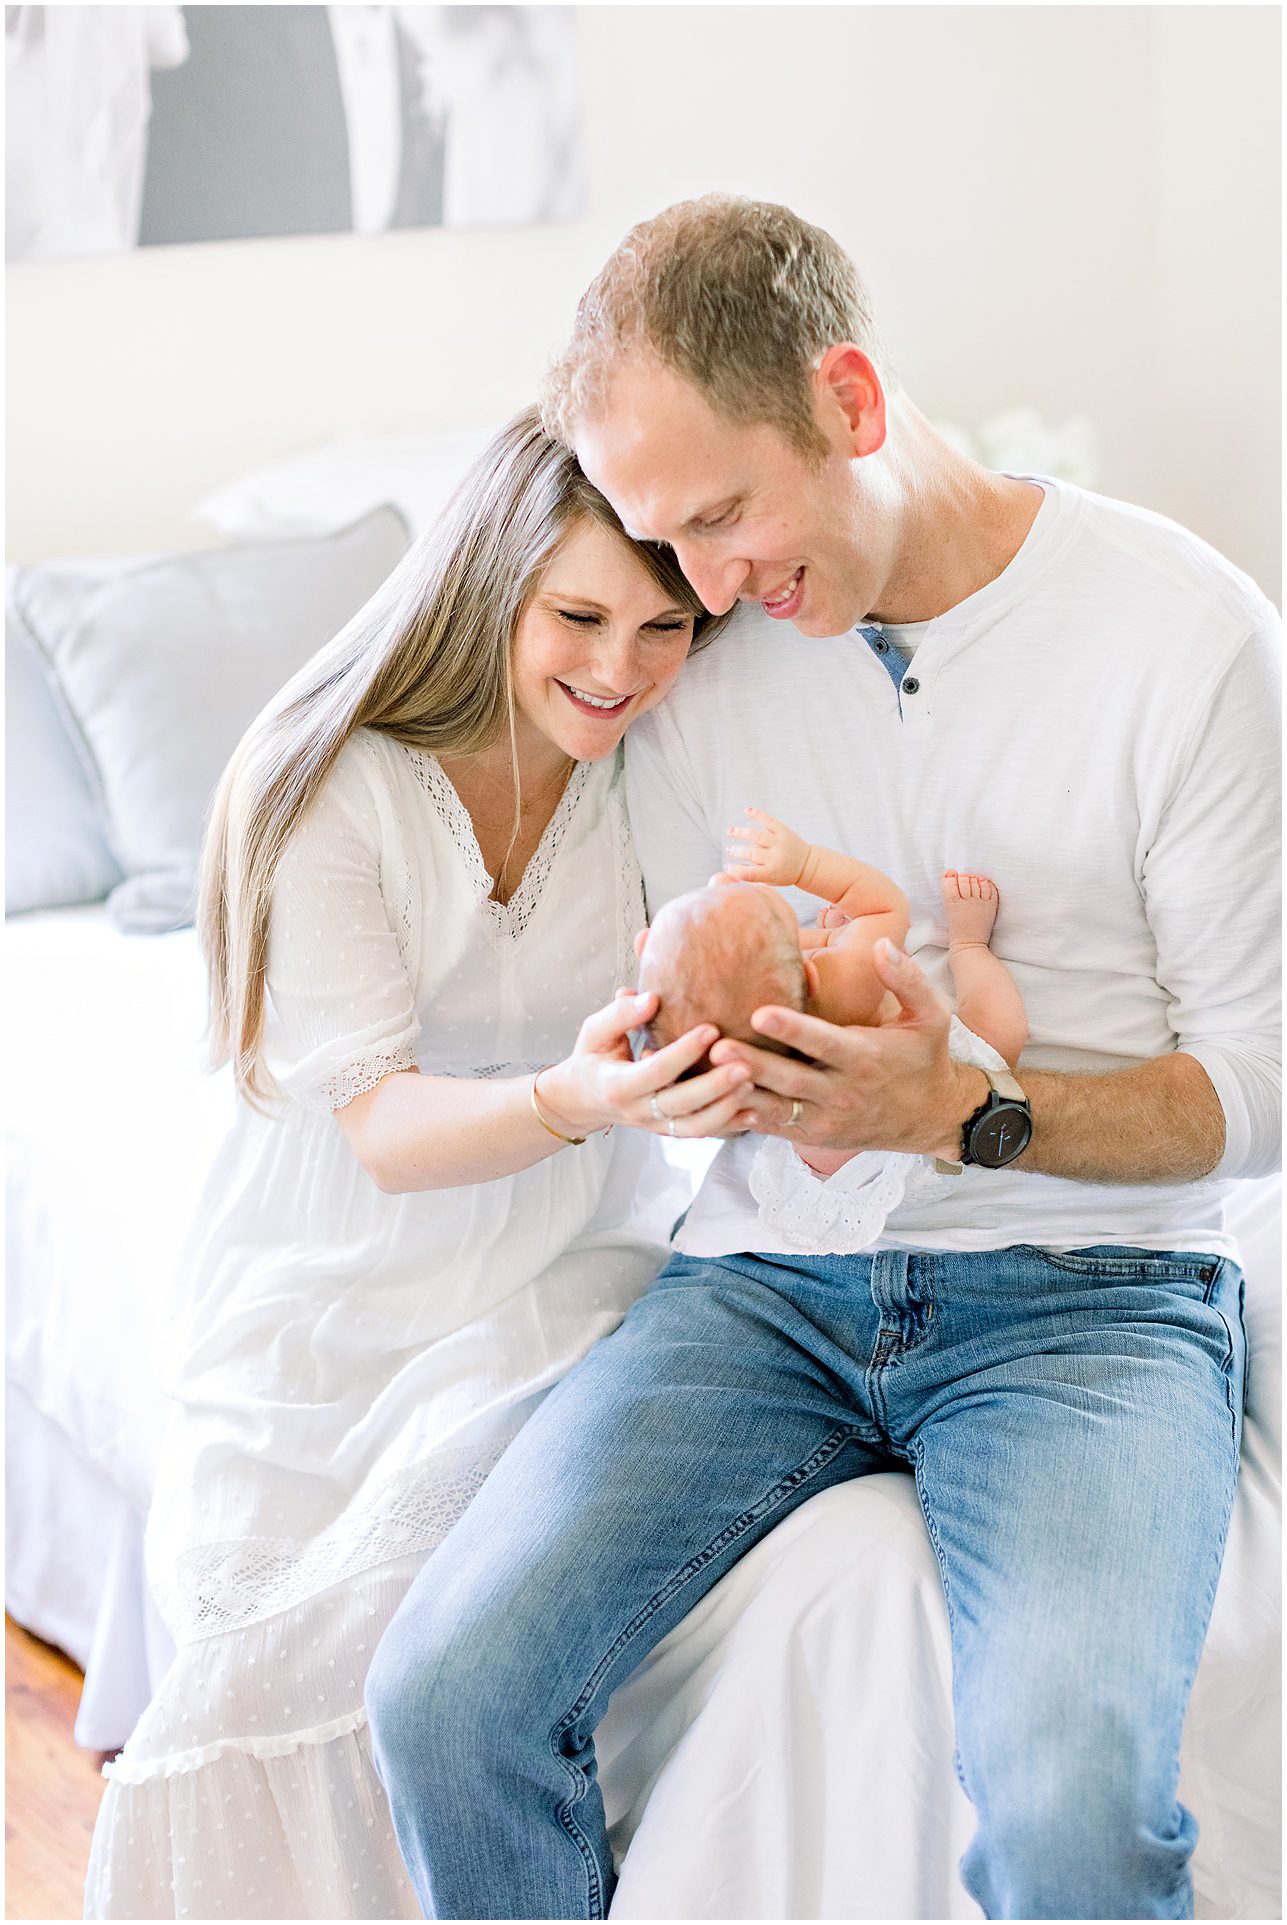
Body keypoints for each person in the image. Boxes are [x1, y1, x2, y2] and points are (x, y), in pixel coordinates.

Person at [365, 197, 1281, 1919]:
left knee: (1078, 1805)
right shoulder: (702, 670)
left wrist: (969, 1114)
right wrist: (670, 1053)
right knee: (447, 1695)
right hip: (767, 1288)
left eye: (720, 518)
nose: (699, 593)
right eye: (661, 540)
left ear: (852, 402)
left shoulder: (1186, 637)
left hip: (1086, 1303)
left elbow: (1260, 1092)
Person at [83, 408, 748, 1919]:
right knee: (263, 1632)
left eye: (664, 626)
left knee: (456, 1614)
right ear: (484, 584)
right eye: (577, 616)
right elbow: (380, 1130)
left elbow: (689, 1009)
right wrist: (584, 1095)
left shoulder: (657, 763)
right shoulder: (324, 784)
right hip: (334, 1285)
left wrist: (707, 1075)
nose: (621, 668)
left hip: (570, 1265)